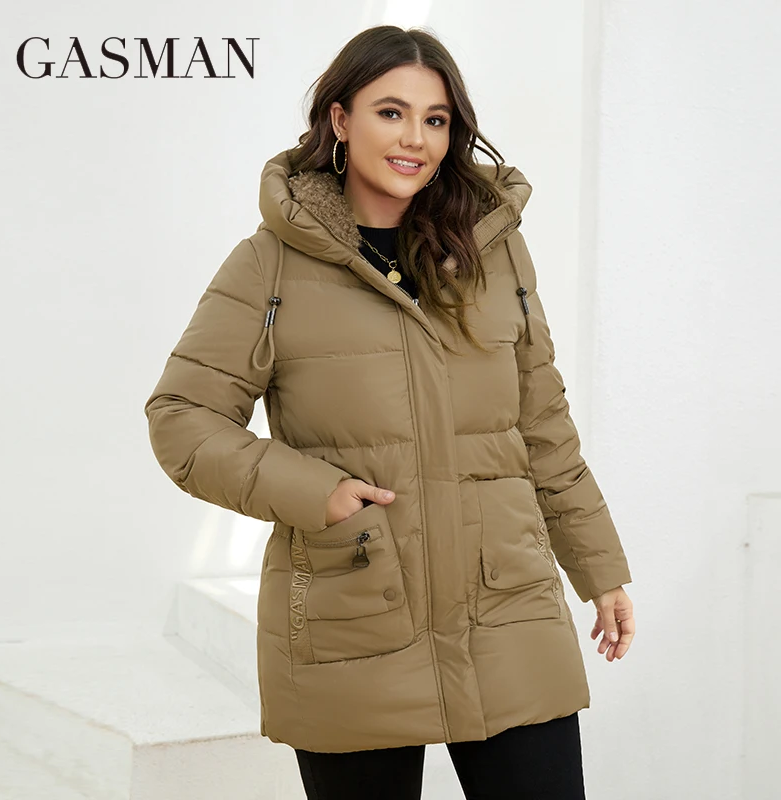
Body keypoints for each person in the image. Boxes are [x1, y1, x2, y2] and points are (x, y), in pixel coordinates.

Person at [144, 24, 636, 800]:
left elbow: (542, 423)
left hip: (506, 603)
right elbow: (181, 416)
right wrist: (318, 494)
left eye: (435, 119)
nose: (416, 139)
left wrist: (599, 569)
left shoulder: (494, 251)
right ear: (340, 120)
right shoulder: (270, 264)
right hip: (353, 612)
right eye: (391, 113)